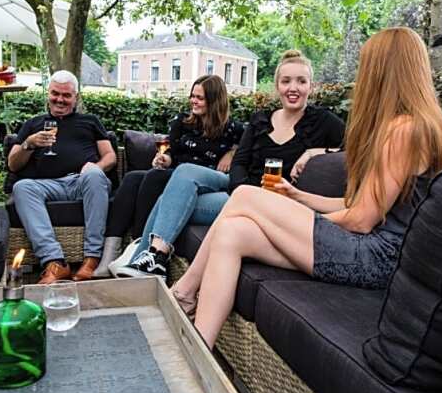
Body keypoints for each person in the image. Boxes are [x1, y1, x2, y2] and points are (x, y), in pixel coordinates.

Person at [171, 27, 442, 348]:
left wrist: (296, 221)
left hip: (376, 258)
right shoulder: (415, 125)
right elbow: (357, 204)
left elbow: (361, 220)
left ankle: (184, 292)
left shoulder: (404, 130)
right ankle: (199, 348)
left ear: (381, 71)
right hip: (369, 247)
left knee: (244, 196)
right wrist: (299, 198)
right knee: (233, 231)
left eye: (366, 66)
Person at [117, 49, 345, 281]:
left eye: (301, 81)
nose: (293, 88)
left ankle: (144, 260)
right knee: (184, 174)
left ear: (311, 86)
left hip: (273, 203)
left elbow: (357, 147)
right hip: (240, 190)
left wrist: (314, 152)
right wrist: (240, 193)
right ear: (277, 86)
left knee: (170, 199)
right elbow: (240, 162)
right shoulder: (261, 119)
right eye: (286, 81)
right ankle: (152, 259)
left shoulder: (323, 121)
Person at [96, 74, 244, 277]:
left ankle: (140, 244)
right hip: (178, 175)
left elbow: (248, 147)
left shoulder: (233, 129)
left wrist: (232, 152)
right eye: (192, 96)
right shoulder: (183, 121)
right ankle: (111, 251)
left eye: (200, 98)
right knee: (133, 178)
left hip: (207, 180)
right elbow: (171, 151)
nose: (193, 101)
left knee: (155, 178)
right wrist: (165, 159)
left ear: (215, 100)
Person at [8, 70, 116, 284]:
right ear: (48, 94)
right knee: (22, 187)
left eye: (66, 95)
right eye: (55, 93)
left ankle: (92, 259)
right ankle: (55, 262)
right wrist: (29, 143)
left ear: (76, 97)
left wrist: (95, 167)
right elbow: (13, 164)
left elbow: (110, 156)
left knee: (95, 175)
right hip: (47, 185)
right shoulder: (33, 124)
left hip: (83, 181)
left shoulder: (90, 121)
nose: (60, 99)